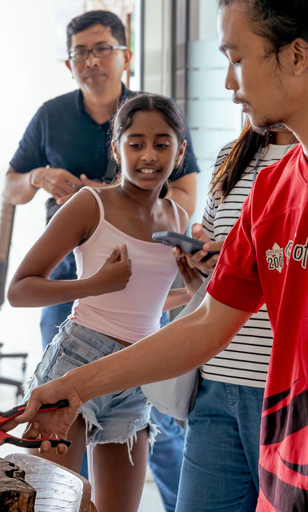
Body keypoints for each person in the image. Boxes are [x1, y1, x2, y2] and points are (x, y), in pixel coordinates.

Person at [9, 2, 308, 510]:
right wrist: (73, 385)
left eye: (236, 58)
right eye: (135, 143)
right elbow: (206, 320)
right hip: (273, 428)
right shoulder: (270, 188)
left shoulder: (177, 213)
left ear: (297, 56)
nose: (230, 85)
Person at [4, 13, 193, 509]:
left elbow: (147, 299)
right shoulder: (91, 205)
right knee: (56, 504)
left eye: (161, 143)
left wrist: (194, 291)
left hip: (138, 371)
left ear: (181, 151)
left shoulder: (178, 217)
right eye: (135, 143)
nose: (148, 155)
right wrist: (94, 285)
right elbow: (19, 288)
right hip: (77, 359)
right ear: (117, 147)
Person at [174, 122, 298, 512]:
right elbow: (217, 283)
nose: (232, 84)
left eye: (240, 61)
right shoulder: (232, 156)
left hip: (283, 394)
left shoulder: (298, 170)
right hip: (217, 383)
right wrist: (201, 261)